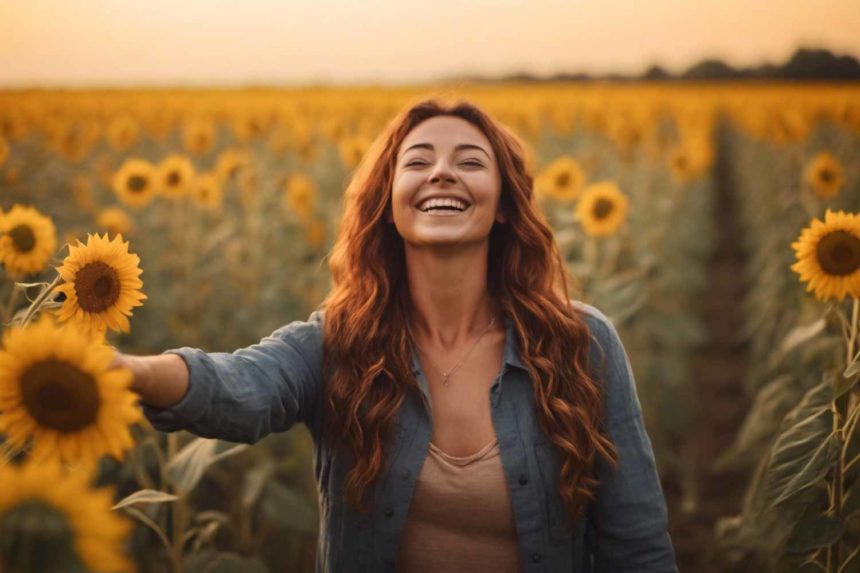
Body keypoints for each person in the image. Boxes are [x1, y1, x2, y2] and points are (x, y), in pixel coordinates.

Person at [115, 99, 678, 572]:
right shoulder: (340, 343)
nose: (441, 173)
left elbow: (639, 545)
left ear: (505, 205)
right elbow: (241, 386)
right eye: (418, 161)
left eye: (470, 161)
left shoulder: (582, 344)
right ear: (387, 204)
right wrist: (133, 372)